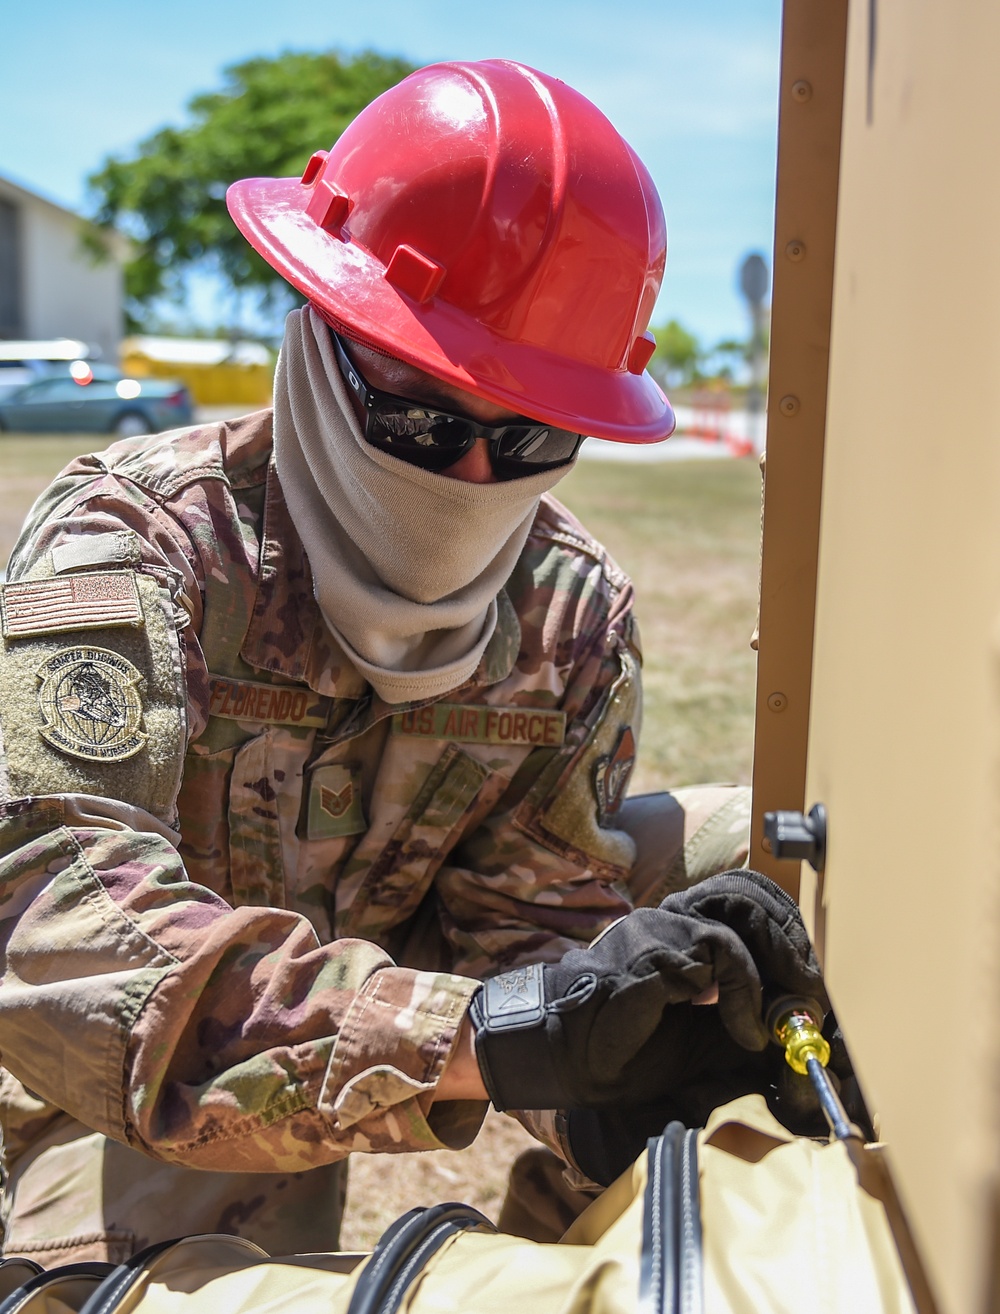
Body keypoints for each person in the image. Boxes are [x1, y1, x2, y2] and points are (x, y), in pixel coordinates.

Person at [0, 60, 802, 1265]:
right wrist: (486, 1033)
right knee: (178, 1251)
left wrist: (605, 1075)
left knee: (756, 862)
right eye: (423, 417)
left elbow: (521, 921)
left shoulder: (568, 610)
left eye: (528, 431)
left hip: (391, 984)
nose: (471, 478)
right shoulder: (141, 539)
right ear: (320, 341)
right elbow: (55, 931)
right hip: (97, 1064)